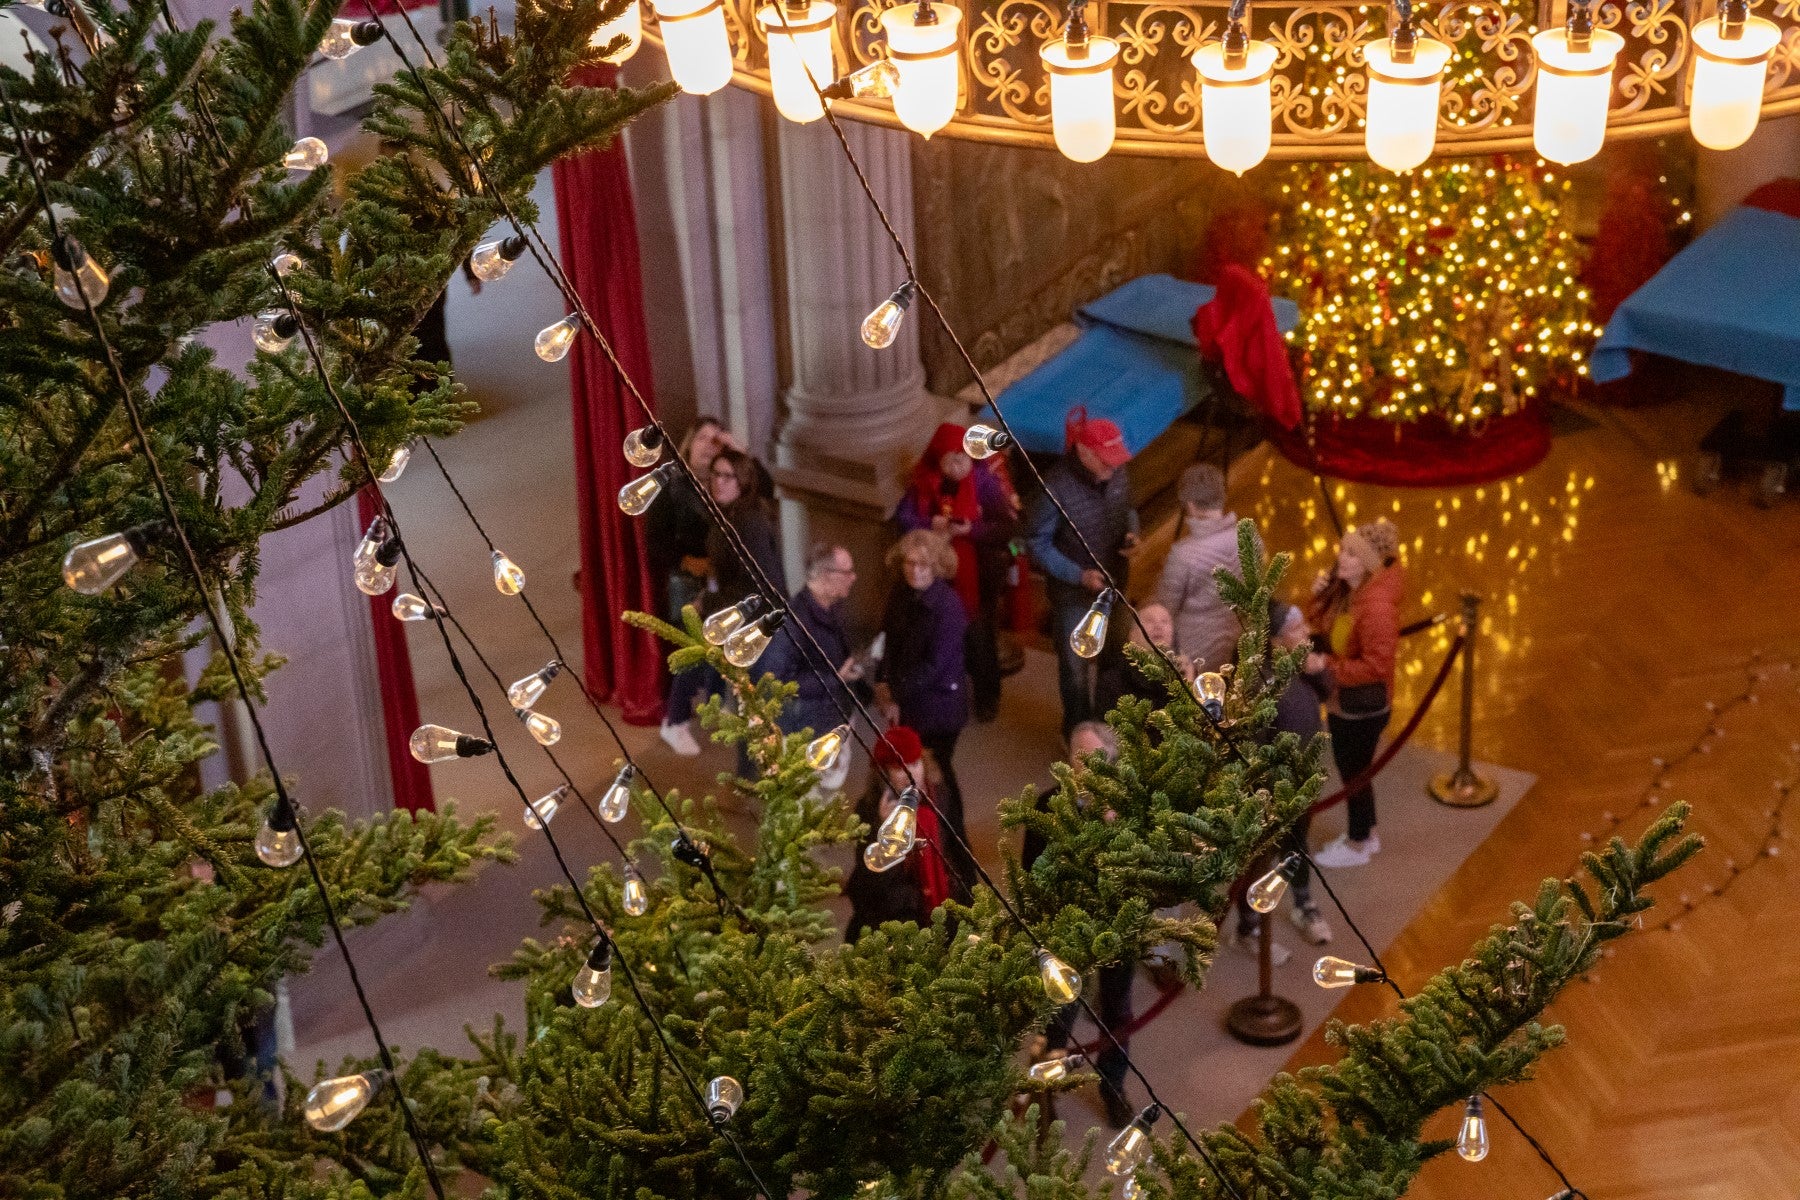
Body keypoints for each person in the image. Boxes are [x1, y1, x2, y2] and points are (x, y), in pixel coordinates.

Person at [1033, 720, 1136, 1128]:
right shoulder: (1046, 806)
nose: (1086, 768)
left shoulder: (1128, 810)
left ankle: (1113, 1086)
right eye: (1079, 757)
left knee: (1118, 1011)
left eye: (1097, 760)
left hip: (1115, 927)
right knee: (1058, 1014)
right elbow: (1032, 874)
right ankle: (1047, 1089)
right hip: (1067, 929)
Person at [660, 447, 787, 757]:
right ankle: (680, 721)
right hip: (735, 606)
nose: (718, 482)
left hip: (752, 612)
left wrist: (715, 601)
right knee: (704, 657)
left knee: (711, 659)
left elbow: (756, 579)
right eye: (715, 475)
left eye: (727, 476)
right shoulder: (725, 514)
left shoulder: (748, 522)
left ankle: (679, 721)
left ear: (742, 480)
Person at [1024, 407, 1139, 738]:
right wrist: (1078, 574)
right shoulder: (1054, 488)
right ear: (1084, 450)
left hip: (1115, 585)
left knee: (1114, 662)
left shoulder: (1117, 472)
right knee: (1075, 670)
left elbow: (1128, 509)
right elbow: (1036, 542)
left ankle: (1106, 729)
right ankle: (1076, 733)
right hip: (1073, 596)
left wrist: (1133, 534)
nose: (1113, 466)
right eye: (1106, 459)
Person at [895, 423, 1018, 723]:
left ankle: (987, 698)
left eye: (964, 458)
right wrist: (928, 526)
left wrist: (971, 530)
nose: (959, 464)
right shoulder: (923, 482)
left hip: (977, 574)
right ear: (939, 458)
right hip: (933, 576)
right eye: (952, 458)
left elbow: (1005, 526)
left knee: (978, 636)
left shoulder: (982, 481)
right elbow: (905, 518)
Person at [875, 529, 971, 883]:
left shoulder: (947, 607)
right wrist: (882, 685)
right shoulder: (900, 595)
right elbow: (889, 644)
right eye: (909, 563)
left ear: (937, 567)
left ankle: (954, 851)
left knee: (936, 776)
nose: (914, 571)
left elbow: (936, 666)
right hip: (908, 698)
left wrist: (895, 694)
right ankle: (919, 844)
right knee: (918, 775)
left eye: (923, 565)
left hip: (938, 708)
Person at [1307, 519, 1404, 869]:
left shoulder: (1375, 607)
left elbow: (1377, 667)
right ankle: (1368, 832)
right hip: (1344, 698)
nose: (1341, 557)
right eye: (1343, 549)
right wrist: (1319, 594)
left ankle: (1358, 840)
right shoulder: (1350, 590)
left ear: (1368, 563)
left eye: (1351, 553)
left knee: (1353, 773)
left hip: (1359, 708)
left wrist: (1327, 667)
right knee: (1357, 771)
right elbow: (1319, 627)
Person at [654, 418, 737, 754]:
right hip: (687, 582)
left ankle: (717, 706)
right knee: (694, 652)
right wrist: (689, 561)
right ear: (688, 442)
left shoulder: (723, 481)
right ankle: (674, 723)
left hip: (721, 579)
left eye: (715, 440)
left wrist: (739, 451)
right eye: (701, 437)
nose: (707, 445)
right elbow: (655, 541)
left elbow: (761, 485)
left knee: (724, 648)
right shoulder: (672, 483)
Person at [843, 726, 954, 940]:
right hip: (892, 922)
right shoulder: (869, 812)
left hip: (935, 909)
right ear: (884, 774)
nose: (912, 772)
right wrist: (885, 837)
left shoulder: (937, 797)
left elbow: (952, 852)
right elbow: (873, 884)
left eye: (915, 763)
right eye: (901, 768)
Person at [1154, 463, 1261, 674]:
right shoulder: (1251, 538)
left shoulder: (1183, 554)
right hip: (1240, 649)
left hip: (1193, 657)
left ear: (1190, 505)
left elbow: (1165, 609)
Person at [760, 541, 863, 745]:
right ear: (826, 575)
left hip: (829, 716)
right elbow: (780, 683)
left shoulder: (831, 606)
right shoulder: (792, 623)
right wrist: (837, 678)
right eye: (848, 572)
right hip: (805, 729)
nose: (854, 578)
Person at [1096, 600, 1193, 715]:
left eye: (1165, 621)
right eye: (1149, 621)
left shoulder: (1186, 674)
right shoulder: (1113, 680)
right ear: (1132, 635)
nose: (1158, 626)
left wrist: (1188, 686)